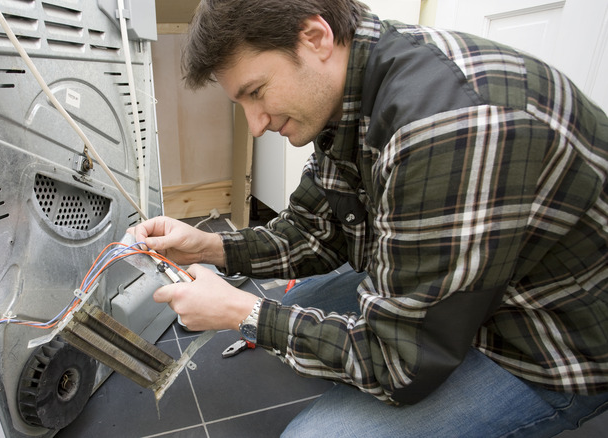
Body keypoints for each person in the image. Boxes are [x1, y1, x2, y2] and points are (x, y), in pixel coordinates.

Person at [128, 0, 608, 436]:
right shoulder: (354, 88)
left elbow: (400, 364)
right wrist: (207, 247)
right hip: (474, 289)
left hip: (547, 338)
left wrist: (244, 313)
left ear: (315, 38)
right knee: (308, 307)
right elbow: (315, 230)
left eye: (257, 92)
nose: (257, 124)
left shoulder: (444, 129)